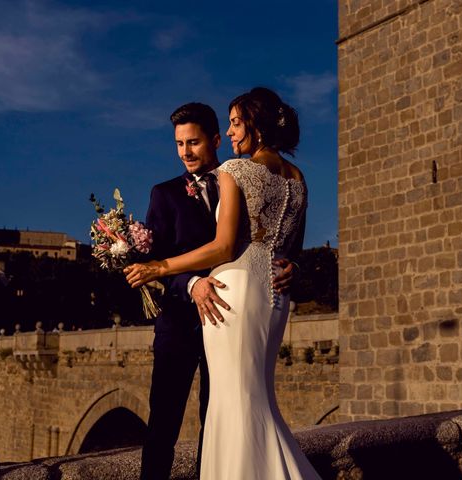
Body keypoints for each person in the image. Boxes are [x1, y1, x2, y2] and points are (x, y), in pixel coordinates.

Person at [126, 88, 320, 479]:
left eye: (193, 141)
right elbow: (288, 244)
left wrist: (160, 267)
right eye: (179, 144)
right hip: (201, 316)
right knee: (186, 418)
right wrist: (189, 282)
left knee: (233, 407)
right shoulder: (297, 178)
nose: (185, 151)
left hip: (233, 300)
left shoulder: (235, 170)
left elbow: (225, 245)